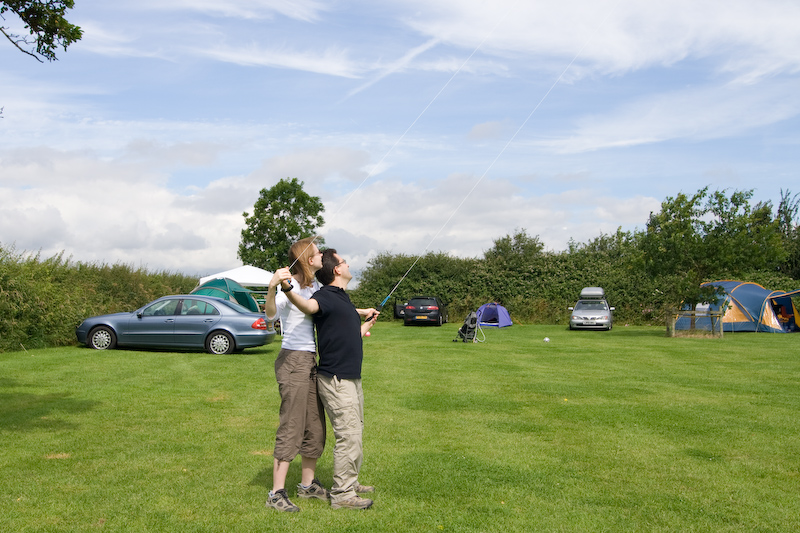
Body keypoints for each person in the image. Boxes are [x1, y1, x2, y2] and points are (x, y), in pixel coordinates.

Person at [276, 248, 379, 510]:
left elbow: (346, 334)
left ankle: (350, 482)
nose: (348, 264)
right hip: (336, 378)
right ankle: (342, 495)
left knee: (355, 432)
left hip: (351, 377)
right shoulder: (324, 296)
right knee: (348, 434)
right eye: (344, 261)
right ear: (337, 270)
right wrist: (287, 288)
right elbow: (308, 305)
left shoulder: (341, 298)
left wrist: (365, 324)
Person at [263, 237, 329, 513]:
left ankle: (307, 485)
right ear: (307, 258)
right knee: (292, 423)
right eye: (317, 252)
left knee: (314, 424)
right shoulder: (287, 286)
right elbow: (270, 317)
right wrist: (271, 287)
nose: (322, 254)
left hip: (312, 360)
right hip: (293, 359)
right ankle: (276, 493)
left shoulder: (317, 286)